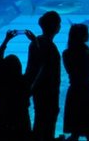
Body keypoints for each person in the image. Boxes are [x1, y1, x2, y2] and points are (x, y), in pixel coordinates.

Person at [25, 10, 62, 141]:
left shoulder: (37, 42)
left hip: (40, 91)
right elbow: (42, 69)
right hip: (47, 91)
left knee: (41, 121)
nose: (59, 26)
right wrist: (32, 88)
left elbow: (30, 68)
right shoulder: (47, 45)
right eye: (58, 23)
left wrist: (30, 88)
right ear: (54, 26)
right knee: (46, 123)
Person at [63, 23, 89, 141]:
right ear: (83, 36)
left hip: (74, 92)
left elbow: (70, 71)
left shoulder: (66, 53)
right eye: (86, 33)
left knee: (75, 130)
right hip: (88, 91)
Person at [0, 30, 31, 141]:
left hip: (3, 119)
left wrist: (6, 39)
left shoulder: (0, 82)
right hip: (21, 121)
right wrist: (34, 42)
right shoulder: (24, 82)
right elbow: (33, 64)